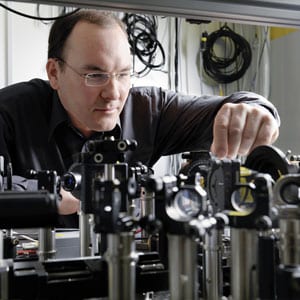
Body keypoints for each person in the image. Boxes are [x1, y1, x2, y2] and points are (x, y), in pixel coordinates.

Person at [0, 9, 280, 228]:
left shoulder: (149, 109)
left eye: (123, 74)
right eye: (95, 75)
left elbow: (239, 105)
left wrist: (256, 111)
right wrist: (54, 194)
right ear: (54, 73)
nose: (113, 93)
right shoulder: (11, 110)